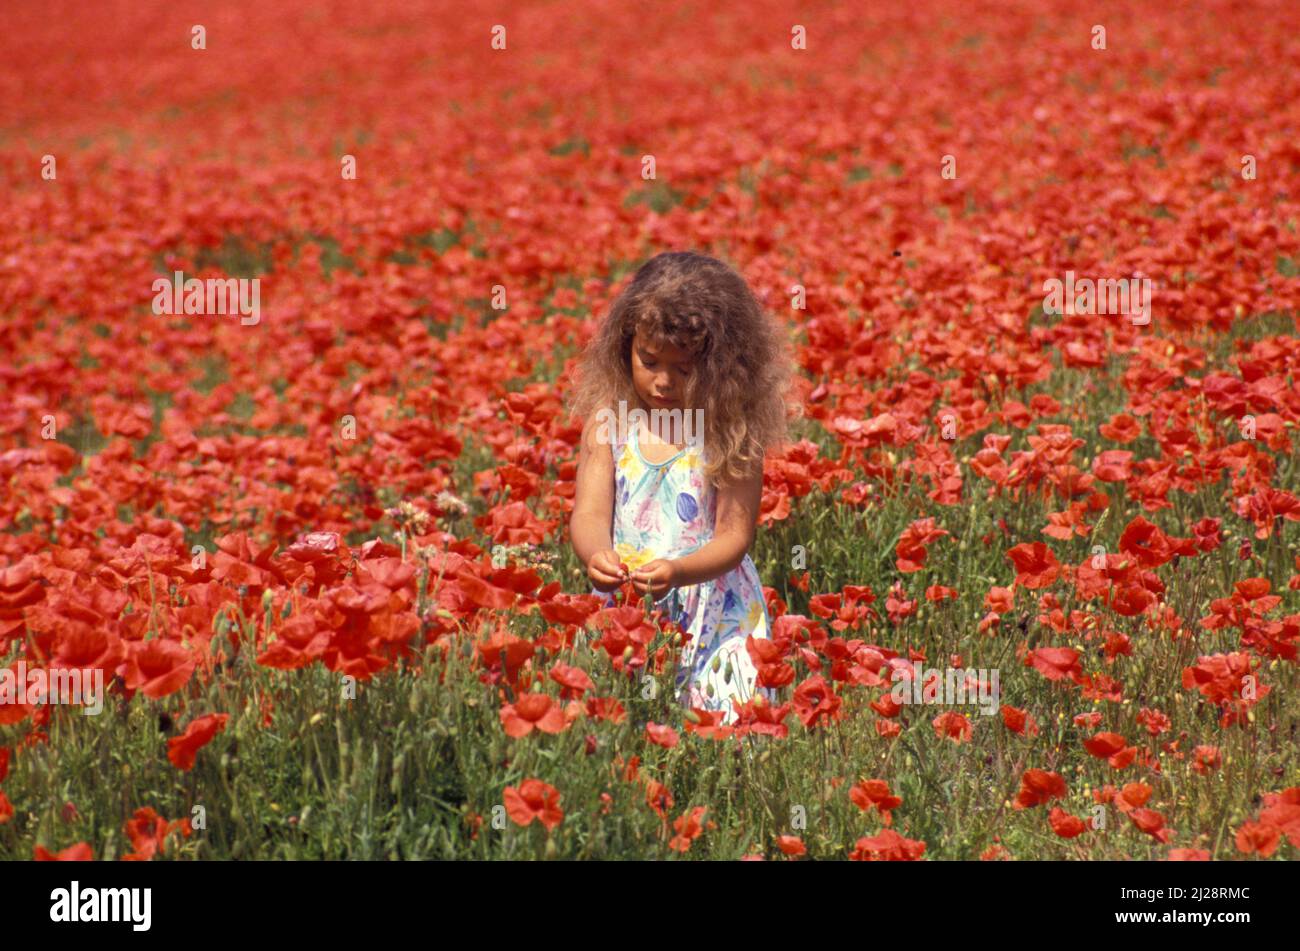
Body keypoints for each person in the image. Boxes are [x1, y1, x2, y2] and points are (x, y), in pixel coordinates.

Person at [566, 251, 799, 724]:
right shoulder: (609, 423)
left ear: (722, 366)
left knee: (729, 720)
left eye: (685, 369)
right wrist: (595, 555)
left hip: (712, 603)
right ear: (624, 344)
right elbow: (589, 513)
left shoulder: (728, 430)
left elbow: (734, 537)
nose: (663, 382)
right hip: (629, 600)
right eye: (648, 361)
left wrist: (678, 570)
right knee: (617, 718)